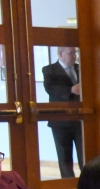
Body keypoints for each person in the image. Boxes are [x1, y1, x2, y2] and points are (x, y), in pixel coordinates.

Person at [42, 46, 84, 178]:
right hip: (60, 121)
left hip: (80, 119)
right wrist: (71, 90)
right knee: (65, 157)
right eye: (71, 53)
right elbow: (51, 89)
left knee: (84, 154)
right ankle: (68, 185)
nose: (74, 56)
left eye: (75, 53)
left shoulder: (80, 68)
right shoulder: (50, 70)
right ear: (61, 53)